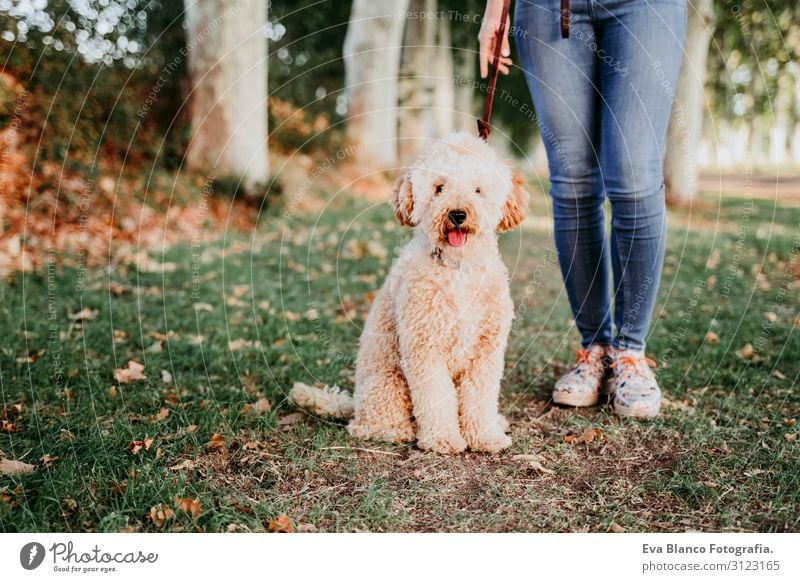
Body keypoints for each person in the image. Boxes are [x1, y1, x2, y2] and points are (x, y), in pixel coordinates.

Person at [479, 0, 687, 418]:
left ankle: (630, 354)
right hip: (548, 9)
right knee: (572, 182)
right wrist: (494, 8)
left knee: (632, 175)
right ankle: (594, 348)